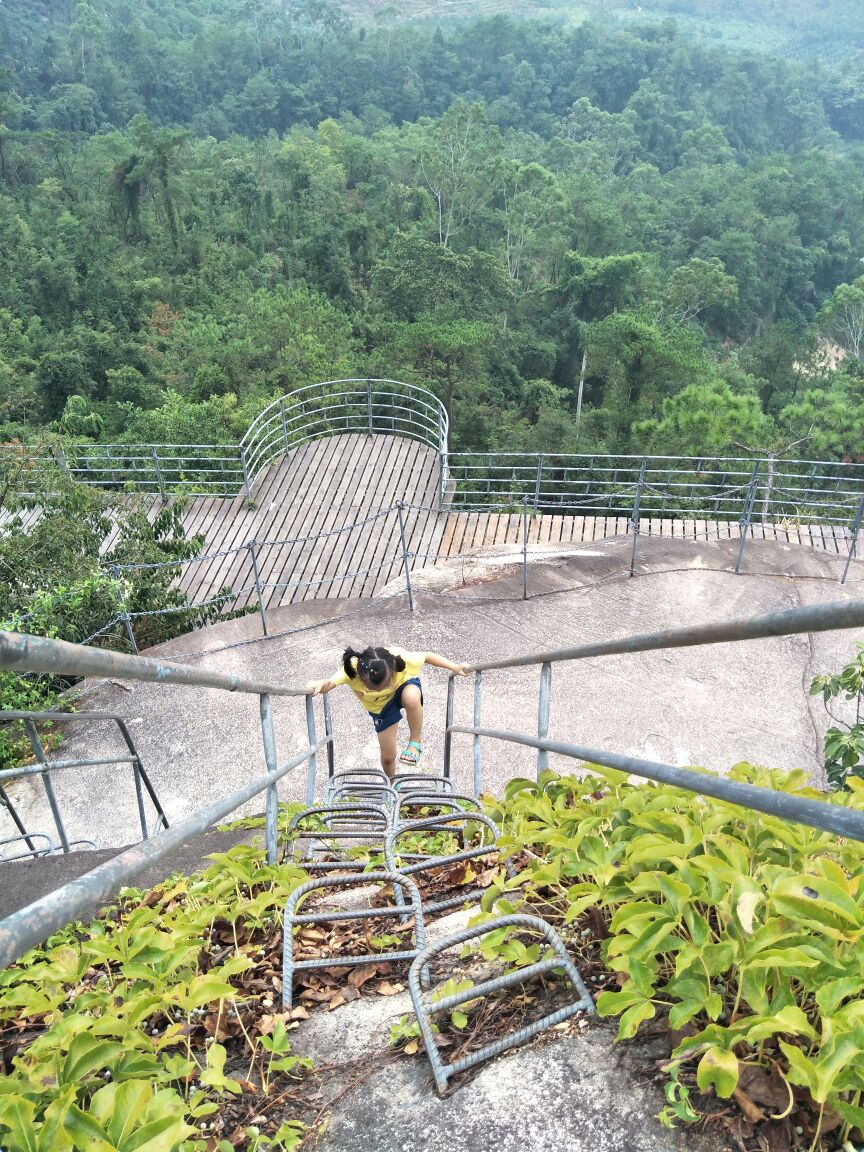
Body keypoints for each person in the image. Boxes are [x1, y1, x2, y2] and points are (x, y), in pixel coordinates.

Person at [306, 645, 469, 779]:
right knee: (388, 756)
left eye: (386, 683)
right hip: (381, 708)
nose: (384, 688)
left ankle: (415, 742)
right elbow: (329, 683)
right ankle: (391, 782)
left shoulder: (399, 658)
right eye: (374, 687)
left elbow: (426, 656)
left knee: (411, 697)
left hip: (403, 687)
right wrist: (318, 684)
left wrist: (455, 667)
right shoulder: (352, 670)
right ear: (361, 678)